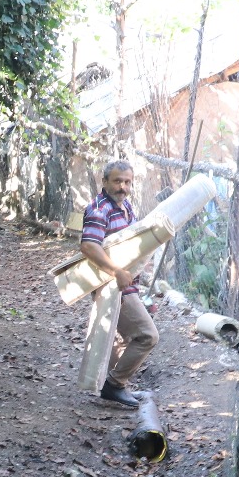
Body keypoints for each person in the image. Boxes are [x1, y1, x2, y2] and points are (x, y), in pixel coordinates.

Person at [78, 159, 159, 407]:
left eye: (127, 182)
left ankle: (112, 383)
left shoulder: (125, 208)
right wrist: (117, 272)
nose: (122, 187)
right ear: (104, 182)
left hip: (125, 283)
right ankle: (115, 385)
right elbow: (88, 245)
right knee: (147, 335)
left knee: (123, 338)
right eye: (117, 181)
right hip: (113, 284)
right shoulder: (99, 209)